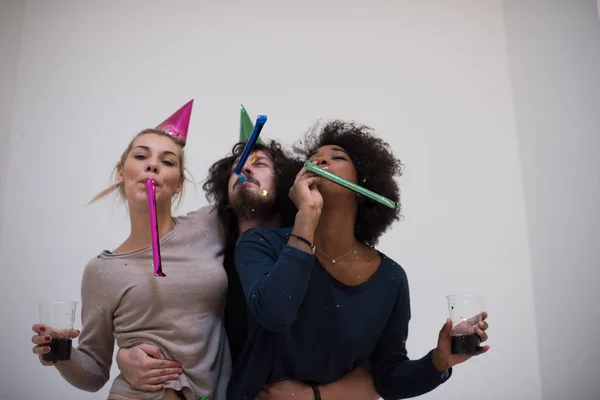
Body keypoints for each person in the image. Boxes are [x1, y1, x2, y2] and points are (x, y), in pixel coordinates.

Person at [229, 120, 491, 400]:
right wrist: (306, 215)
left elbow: (387, 379)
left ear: (362, 183)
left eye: (336, 157)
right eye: (313, 159)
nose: (320, 161)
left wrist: (439, 361)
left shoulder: (390, 278)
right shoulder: (260, 244)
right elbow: (275, 313)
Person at [116, 138, 382, 399]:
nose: (244, 169)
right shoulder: (210, 265)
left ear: (289, 183)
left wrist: (313, 395)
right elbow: (167, 321)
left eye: (260, 163)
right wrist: (125, 354)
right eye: (236, 167)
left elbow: (374, 374)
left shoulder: (317, 254)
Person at [30, 101, 231, 400]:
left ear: (178, 184)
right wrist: (63, 354)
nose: (152, 165)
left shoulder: (210, 225)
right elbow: (95, 372)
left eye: (167, 161)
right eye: (141, 156)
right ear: (121, 172)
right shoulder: (101, 270)